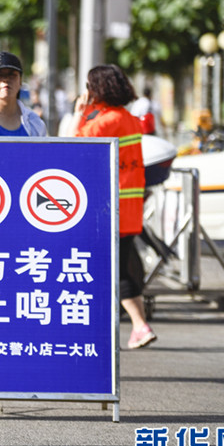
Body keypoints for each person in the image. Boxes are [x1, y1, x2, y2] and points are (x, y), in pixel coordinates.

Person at [71, 64, 156, 349]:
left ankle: (139, 326)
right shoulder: (130, 119)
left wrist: (79, 113)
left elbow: (72, 147)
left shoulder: (104, 123)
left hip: (108, 211)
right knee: (123, 268)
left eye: (89, 86)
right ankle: (138, 327)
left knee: (111, 272)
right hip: (129, 209)